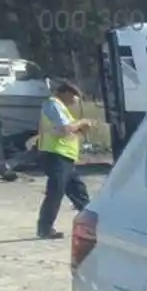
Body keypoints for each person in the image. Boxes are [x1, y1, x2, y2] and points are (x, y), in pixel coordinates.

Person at [35, 80, 92, 240]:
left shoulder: (61, 108)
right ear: (65, 93)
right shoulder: (53, 105)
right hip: (55, 155)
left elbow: (66, 131)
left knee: (79, 191)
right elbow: (64, 129)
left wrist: (80, 130)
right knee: (56, 192)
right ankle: (45, 229)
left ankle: (94, 224)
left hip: (64, 156)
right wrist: (81, 122)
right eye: (74, 95)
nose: (76, 100)